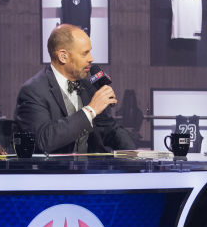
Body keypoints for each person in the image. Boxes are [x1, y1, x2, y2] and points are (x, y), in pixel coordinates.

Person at [14, 24, 135, 154]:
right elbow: (43, 140)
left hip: (90, 170)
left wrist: (135, 154)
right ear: (63, 56)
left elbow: (110, 129)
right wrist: (90, 110)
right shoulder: (33, 91)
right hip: (53, 172)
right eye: (85, 53)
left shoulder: (88, 85)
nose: (91, 59)